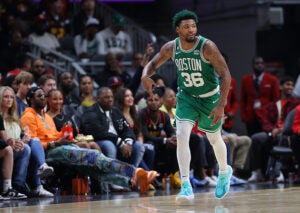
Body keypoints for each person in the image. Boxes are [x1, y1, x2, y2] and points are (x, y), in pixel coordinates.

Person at [141, 9, 232, 200]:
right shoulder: (171, 47)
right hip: (187, 97)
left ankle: (224, 171)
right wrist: (145, 75)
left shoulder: (207, 46)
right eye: (186, 27)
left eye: (193, 26)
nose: (191, 29)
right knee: (182, 135)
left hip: (210, 98)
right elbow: (153, 64)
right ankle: (185, 185)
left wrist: (221, 105)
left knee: (214, 138)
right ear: (178, 30)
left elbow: (225, 74)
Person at [20, 87, 158, 193]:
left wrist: (66, 138)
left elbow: (54, 135)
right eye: (39, 96)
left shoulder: (46, 117)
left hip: (61, 148)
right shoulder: (28, 116)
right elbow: (34, 143)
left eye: (44, 95)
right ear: (30, 99)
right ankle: (134, 173)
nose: (43, 98)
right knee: (95, 156)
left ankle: (134, 182)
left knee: (94, 170)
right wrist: (56, 143)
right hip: (49, 152)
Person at [0, 86, 54, 197]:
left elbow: (15, 137)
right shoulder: (1, 117)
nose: (9, 99)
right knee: (29, 146)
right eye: (6, 97)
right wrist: (14, 142)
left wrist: (22, 140)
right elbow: (5, 138)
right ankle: (29, 182)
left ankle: (23, 184)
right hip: (5, 148)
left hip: (14, 147)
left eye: (11, 97)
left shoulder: (15, 118)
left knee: (29, 145)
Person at [248, 76, 300, 182]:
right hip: (272, 132)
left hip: (287, 133)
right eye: (287, 84)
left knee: (283, 136)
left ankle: (279, 170)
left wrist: (282, 129)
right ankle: (257, 172)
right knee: (256, 138)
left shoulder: (296, 104)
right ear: (281, 87)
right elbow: (265, 121)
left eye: (292, 85)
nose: (290, 87)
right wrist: (272, 130)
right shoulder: (272, 105)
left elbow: (294, 122)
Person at [80, 87, 145, 168]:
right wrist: (120, 142)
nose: (110, 99)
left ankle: (131, 173)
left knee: (138, 146)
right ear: (98, 99)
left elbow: (126, 128)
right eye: (106, 97)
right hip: (100, 141)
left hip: (118, 141)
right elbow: (100, 133)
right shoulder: (91, 112)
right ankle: (111, 176)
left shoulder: (115, 111)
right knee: (109, 145)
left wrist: (128, 143)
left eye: (111, 97)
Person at [240, 56, 280, 136]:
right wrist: (244, 116)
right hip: (250, 116)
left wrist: (273, 116)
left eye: (262, 63)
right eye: (257, 63)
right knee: (251, 139)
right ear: (252, 65)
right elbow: (243, 99)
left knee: (264, 139)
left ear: (264, 65)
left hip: (266, 116)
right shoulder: (245, 79)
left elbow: (276, 99)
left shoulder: (272, 79)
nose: (259, 65)